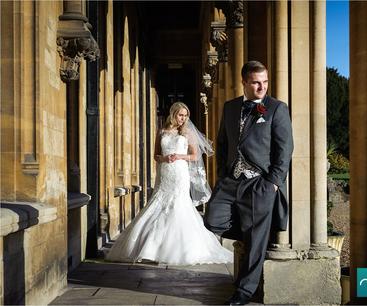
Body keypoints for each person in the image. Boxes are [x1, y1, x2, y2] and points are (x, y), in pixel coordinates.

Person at [204, 61, 294, 305]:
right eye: (255, 82)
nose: (261, 87)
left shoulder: (276, 109)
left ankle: (244, 292)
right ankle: (248, 227)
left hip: (259, 184)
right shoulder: (231, 107)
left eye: (265, 82)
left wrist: (273, 183)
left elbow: (284, 149)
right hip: (231, 181)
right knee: (212, 218)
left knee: (256, 243)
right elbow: (222, 142)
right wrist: (223, 174)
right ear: (244, 82)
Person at [106, 102, 233, 265]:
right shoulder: (162, 132)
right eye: (181, 115)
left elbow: (194, 156)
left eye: (186, 115)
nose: (183, 118)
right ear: (173, 114)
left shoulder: (187, 133)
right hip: (165, 173)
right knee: (158, 203)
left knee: (178, 205)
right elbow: (156, 155)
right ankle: (150, 248)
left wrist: (179, 157)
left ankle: (178, 249)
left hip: (180, 173)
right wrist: (165, 158)